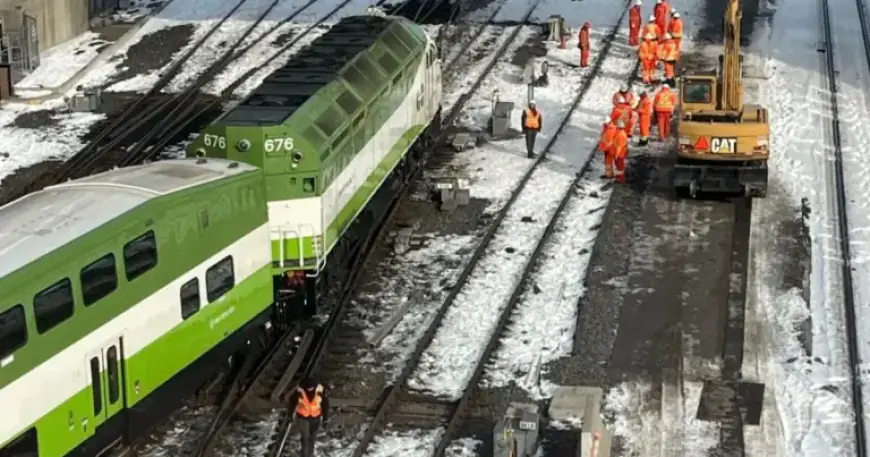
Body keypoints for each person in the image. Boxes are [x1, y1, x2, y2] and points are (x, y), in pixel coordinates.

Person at [293, 378, 330, 457]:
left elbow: (325, 404)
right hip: (303, 417)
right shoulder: (300, 391)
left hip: (315, 418)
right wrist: (289, 415)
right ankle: (304, 455)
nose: (310, 389)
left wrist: (325, 419)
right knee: (305, 438)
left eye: (311, 388)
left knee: (312, 438)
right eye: (308, 388)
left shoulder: (320, 391)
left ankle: (310, 455)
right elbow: (292, 402)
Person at [613, 119, 629, 184]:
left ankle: (621, 179)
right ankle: (619, 178)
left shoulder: (621, 135)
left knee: (620, 167)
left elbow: (619, 147)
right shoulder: (620, 133)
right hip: (620, 153)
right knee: (619, 167)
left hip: (620, 154)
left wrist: (616, 155)